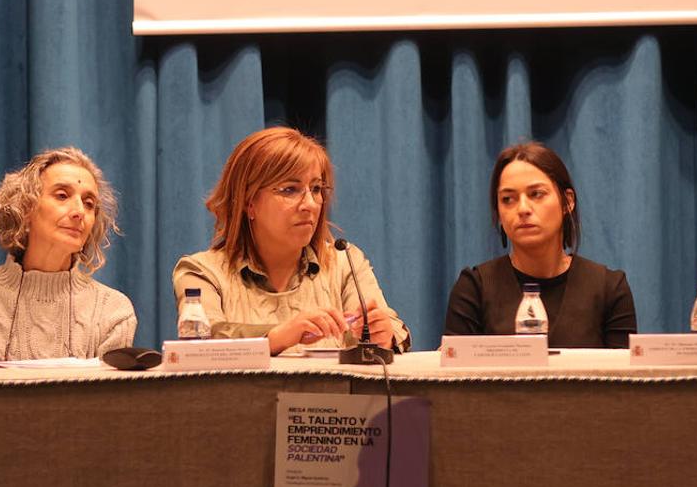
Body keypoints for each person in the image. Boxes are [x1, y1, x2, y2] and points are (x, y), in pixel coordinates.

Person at [172, 127, 409, 356]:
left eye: (316, 189)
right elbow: (201, 344)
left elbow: (394, 329)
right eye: (289, 190)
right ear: (248, 203)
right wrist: (279, 336)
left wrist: (383, 335)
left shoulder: (345, 262)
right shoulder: (201, 272)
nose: (310, 204)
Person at [443, 141, 637, 348]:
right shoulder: (474, 289)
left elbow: (621, 379)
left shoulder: (610, 288)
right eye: (508, 199)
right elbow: (456, 378)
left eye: (536, 194)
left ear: (567, 202)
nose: (523, 209)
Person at [0, 147, 136, 360]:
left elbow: (112, 395)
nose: (79, 212)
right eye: (62, 196)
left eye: (89, 204)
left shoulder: (113, 311)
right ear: (25, 207)